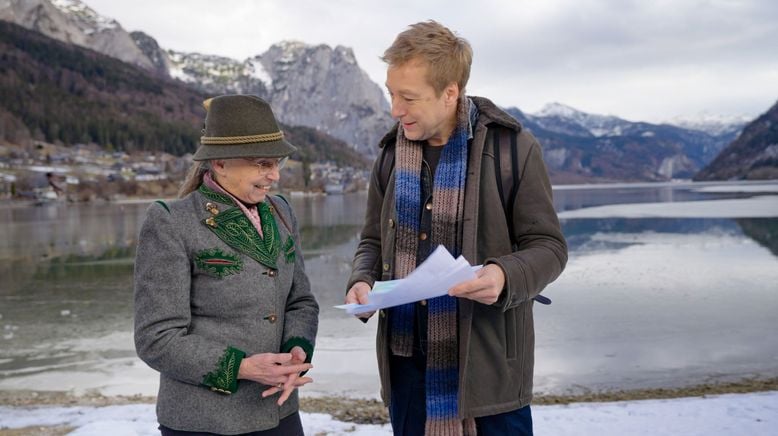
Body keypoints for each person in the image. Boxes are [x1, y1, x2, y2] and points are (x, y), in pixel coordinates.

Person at [345, 21, 567, 435]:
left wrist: (504, 275)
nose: (395, 109)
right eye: (392, 93)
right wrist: (362, 279)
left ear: (450, 93)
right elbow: (372, 241)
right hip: (405, 372)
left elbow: (550, 248)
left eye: (408, 98)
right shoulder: (390, 155)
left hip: (489, 372)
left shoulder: (513, 149)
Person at [134, 94, 319, 435]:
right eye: (263, 164)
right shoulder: (170, 222)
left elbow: (301, 301)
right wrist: (242, 367)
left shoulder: (282, 212)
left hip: (279, 414)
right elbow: (156, 338)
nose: (275, 175)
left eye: (277, 163)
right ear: (219, 162)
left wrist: (297, 353)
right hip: (203, 422)